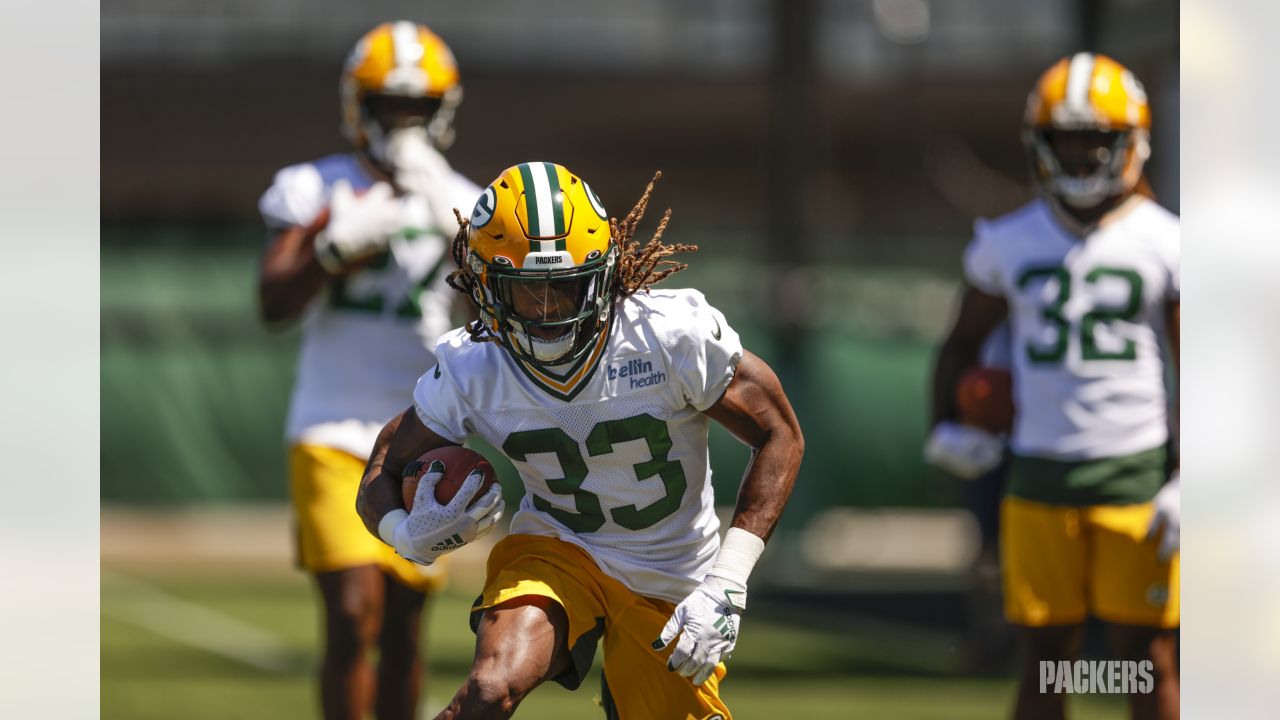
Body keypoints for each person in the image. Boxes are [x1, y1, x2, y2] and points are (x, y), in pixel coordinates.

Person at [354, 162, 805, 719]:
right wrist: (406, 533)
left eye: (564, 287)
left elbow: (779, 433)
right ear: (485, 284)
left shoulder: (667, 337)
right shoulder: (474, 368)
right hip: (560, 547)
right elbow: (383, 465)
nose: (547, 311)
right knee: (490, 689)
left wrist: (729, 579)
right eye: (526, 292)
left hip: (674, 574)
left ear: (604, 271)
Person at [926, 53, 1179, 719]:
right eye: (1067, 141)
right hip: (1038, 477)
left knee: (1146, 661)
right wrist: (945, 425)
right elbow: (958, 345)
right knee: (1043, 665)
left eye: (1097, 141)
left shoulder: (1165, 241)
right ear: (1040, 145)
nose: (1082, 157)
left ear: (1131, 145)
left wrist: (1191, 473)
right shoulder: (1009, 240)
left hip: (1137, 474)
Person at [256, 21, 479, 720]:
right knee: (356, 613)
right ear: (362, 106)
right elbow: (272, 301)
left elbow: (491, 324)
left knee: (406, 624)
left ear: (442, 110)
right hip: (331, 420)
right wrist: (329, 253)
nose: (402, 123)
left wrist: (464, 236)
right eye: (390, 106)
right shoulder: (316, 186)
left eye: (415, 107)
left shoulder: (464, 200)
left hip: (423, 427)